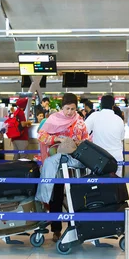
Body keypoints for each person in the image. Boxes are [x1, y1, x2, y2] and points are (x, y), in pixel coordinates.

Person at [38, 93, 89, 242]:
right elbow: (41, 136)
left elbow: (86, 139)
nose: (70, 112)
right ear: (62, 108)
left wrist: (77, 143)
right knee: (56, 196)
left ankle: (75, 226)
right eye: (67, 109)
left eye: (73, 109)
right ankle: (56, 230)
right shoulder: (53, 120)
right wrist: (56, 138)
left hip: (73, 164)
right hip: (55, 166)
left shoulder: (79, 122)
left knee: (75, 195)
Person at [85, 95, 125, 176]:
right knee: (116, 185)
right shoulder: (119, 119)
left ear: (101, 105)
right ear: (113, 105)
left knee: (98, 185)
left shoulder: (95, 116)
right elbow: (122, 137)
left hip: (98, 156)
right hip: (116, 157)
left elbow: (84, 131)